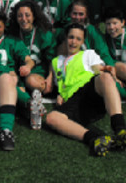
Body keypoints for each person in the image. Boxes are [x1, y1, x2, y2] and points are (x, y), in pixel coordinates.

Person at [46, 23, 126, 157]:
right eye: (71, 37)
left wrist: (106, 70)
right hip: (72, 102)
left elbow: (97, 70)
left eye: (78, 39)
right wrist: (58, 93)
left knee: (104, 77)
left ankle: (120, 129)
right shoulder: (55, 61)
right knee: (51, 118)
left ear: (83, 41)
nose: (74, 42)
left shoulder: (88, 54)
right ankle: (94, 138)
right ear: (66, 38)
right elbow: (57, 83)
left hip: (88, 92)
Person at [8, 0, 55, 95]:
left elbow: (51, 59)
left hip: (37, 72)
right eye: (20, 16)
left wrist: (50, 78)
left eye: (27, 15)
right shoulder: (12, 34)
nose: (24, 19)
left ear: (34, 16)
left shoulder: (44, 34)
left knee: (32, 81)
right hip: (18, 72)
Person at [57, 0, 114, 66]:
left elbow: (103, 53)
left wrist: (110, 67)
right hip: (70, 66)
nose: (77, 17)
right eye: (74, 13)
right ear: (70, 13)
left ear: (86, 15)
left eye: (81, 14)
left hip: (91, 66)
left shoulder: (93, 31)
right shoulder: (64, 30)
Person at [103, 7, 126, 98]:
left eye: (115, 23)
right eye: (108, 24)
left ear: (123, 23)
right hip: (116, 75)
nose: (111, 27)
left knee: (119, 66)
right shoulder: (105, 40)